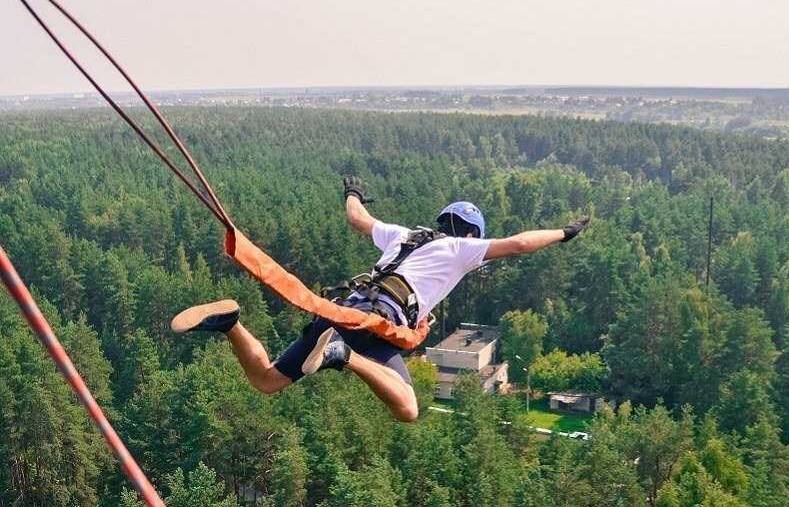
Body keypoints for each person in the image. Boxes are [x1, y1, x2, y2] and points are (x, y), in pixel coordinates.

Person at [171, 176, 589, 422]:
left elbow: (357, 218)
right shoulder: (460, 250)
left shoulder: (401, 235)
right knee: (408, 408)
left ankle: (231, 323)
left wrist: (353, 191)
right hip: (375, 326)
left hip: (342, 312)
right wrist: (564, 234)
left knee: (266, 380)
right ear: (470, 234)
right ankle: (343, 356)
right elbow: (517, 244)